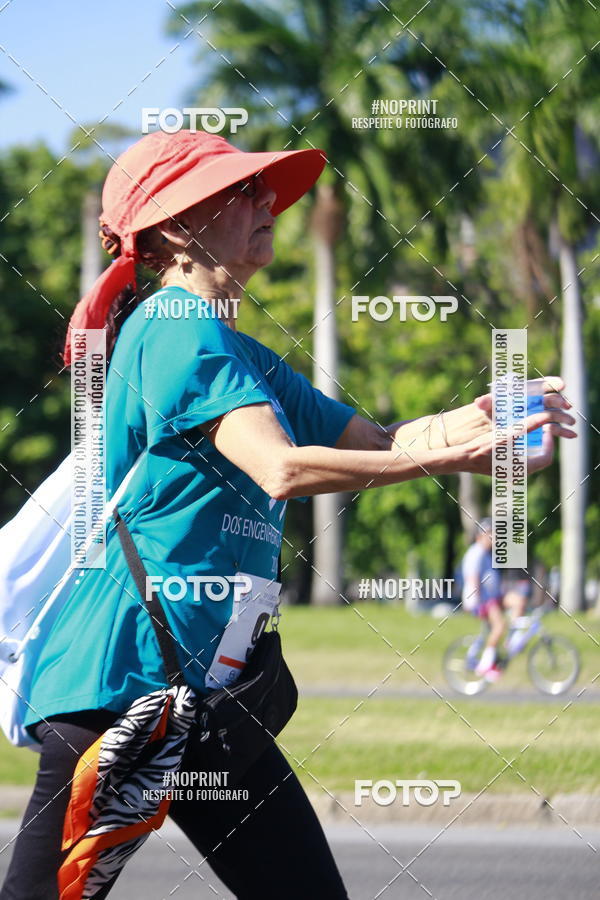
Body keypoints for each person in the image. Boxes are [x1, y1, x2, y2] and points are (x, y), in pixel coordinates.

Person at [0, 129, 576, 900]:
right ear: (174, 226)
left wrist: (483, 418)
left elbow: (378, 440)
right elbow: (281, 466)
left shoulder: (242, 353)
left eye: (263, 188)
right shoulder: (177, 328)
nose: (268, 200)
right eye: (242, 190)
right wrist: (445, 460)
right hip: (121, 687)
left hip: (207, 700)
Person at [460, 518, 506, 680]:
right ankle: (485, 665)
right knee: (499, 626)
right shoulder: (476, 553)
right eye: (491, 535)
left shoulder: (486, 554)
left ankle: (494, 658)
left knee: (493, 630)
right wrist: (479, 603)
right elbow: (473, 579)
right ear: (481, 535)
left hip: (489, 599)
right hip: (481, 600)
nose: (495, 539)